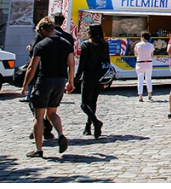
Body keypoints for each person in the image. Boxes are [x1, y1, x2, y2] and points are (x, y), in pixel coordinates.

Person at [21, 18, 74, 158]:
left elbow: (32, 67)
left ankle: (38, 149)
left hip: (45, 80)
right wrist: (71, 81)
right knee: (52, 112)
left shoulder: (41, 45)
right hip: (60, 81)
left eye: (39, 31)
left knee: (39, 116)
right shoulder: (66, 44)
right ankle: (61, 134)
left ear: (44, 30)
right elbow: (72, 64)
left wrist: (25, 84)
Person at [75, 24, 110, 138]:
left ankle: (95, 122)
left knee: (84, 103)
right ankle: (88, 125)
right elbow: (107, 62)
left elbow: (82, 64)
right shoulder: (105, 45)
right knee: (93, 101)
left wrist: (76, 77)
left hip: (89, 76)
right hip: (99, 76)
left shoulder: (86, 45)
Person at [134, 31, 155, 102]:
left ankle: (140, 96)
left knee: (140, 80)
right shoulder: (151, 45)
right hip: (148, 63)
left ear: (142, 37)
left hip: (140, 63)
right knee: (148, 79)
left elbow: (135, 54)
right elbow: (152, 55)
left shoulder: (137, 45)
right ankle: (149, 95)